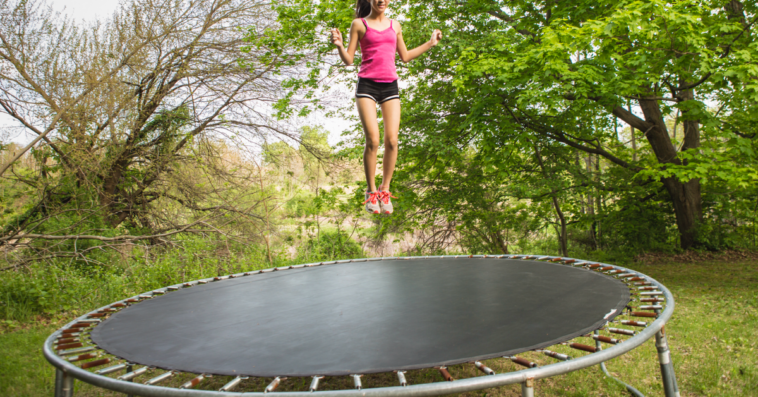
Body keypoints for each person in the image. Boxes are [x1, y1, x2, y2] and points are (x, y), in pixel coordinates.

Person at [330, 0, 442, 214]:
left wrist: (430, 43)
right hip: (367, 86)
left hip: (390, 86)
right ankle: (371, 191)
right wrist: (339, 46)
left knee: (391, 140)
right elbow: (349, 61)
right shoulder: (359, 24)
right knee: (373, 139)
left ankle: (385, 189)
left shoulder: (395, 25)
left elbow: (405, 56)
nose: (381, 0)